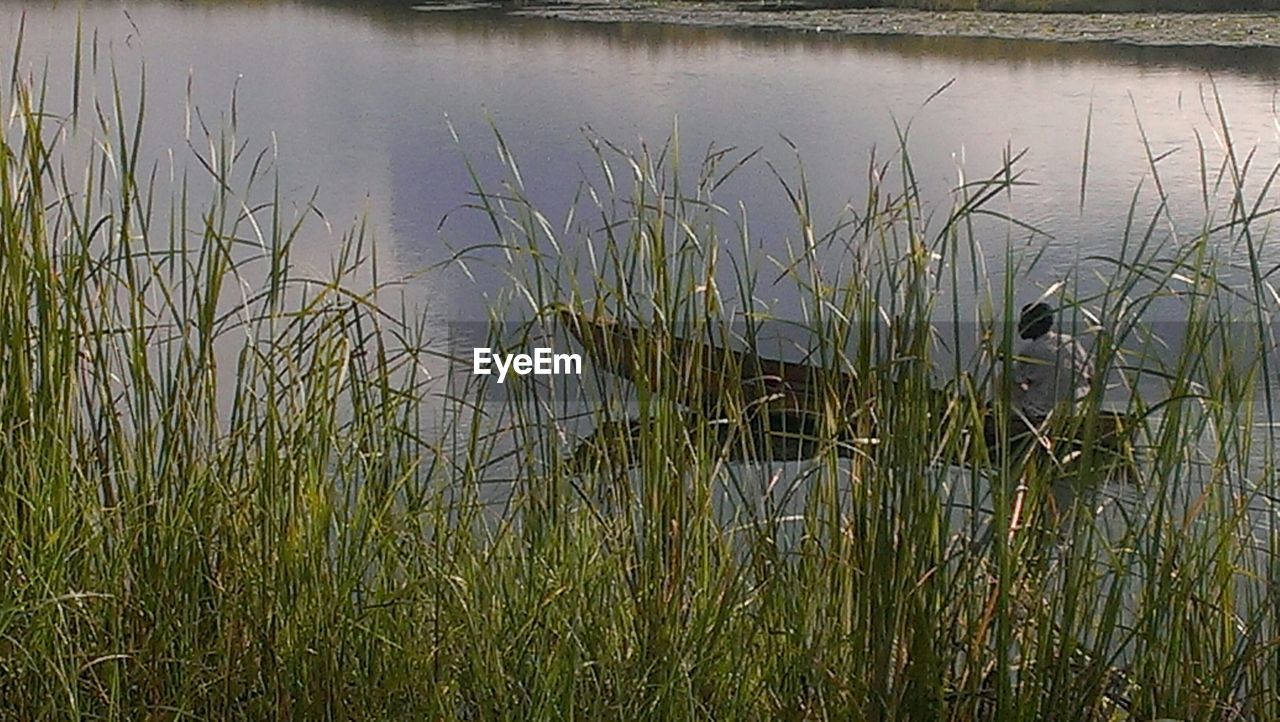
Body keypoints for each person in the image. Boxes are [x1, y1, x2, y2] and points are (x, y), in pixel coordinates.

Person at [1008, 302, 1093, 423]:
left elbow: (1017, 381)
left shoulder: (1030, 351)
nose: (1020, 325)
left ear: (1035, 324)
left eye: (1024, 321)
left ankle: (1018, 419)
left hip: (1043, 412)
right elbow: (1091, 376)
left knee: (1006, 379)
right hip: (1076, 411)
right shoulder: (1071, 342)